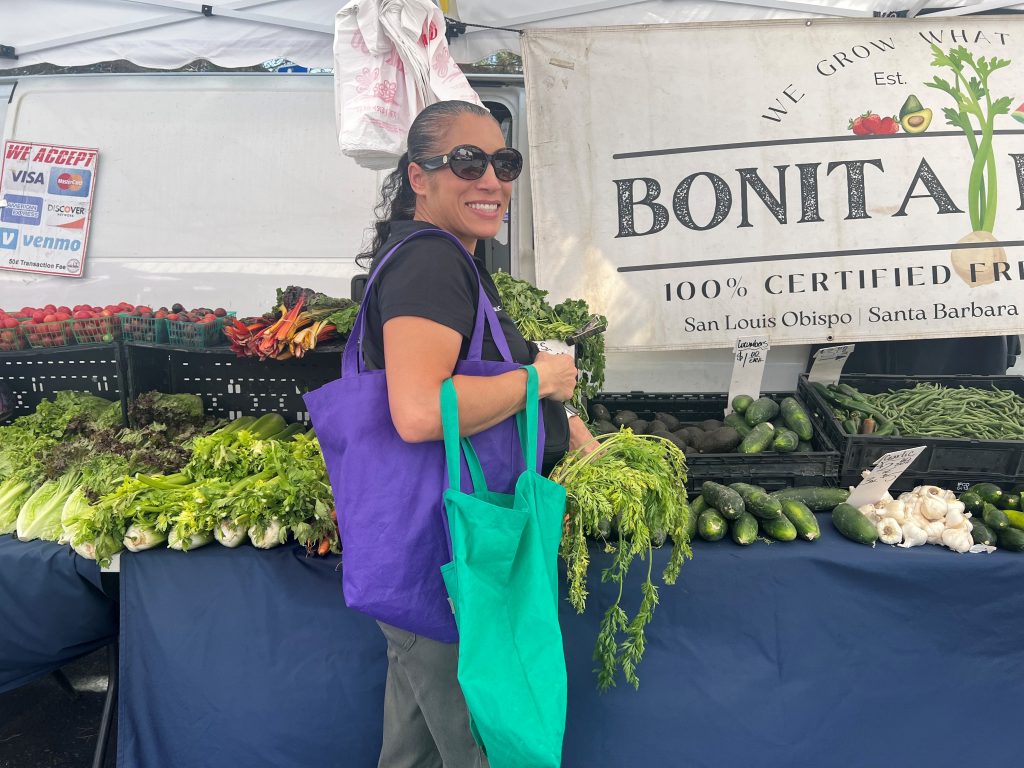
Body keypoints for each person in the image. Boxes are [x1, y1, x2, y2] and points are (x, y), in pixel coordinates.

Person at [356, 99, 594, 768]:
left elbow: (471, 378)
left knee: (418, 747)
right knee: (486, 741)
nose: (491, 179)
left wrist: (568, 427)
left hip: (429, 549)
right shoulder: (430, 264)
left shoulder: (451, 260)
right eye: (467, 161)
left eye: (504, 162)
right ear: (418, 177)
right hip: (449, 553)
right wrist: (542, 381)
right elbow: (421, 411)